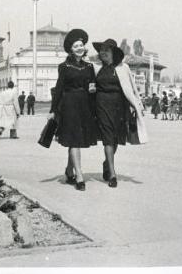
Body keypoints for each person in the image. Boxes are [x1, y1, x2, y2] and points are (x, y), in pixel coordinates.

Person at [92, 38, 148, 188]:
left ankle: (106, 163)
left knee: (115, 139)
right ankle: (112, 174)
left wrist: (137, 104)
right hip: (101, 106)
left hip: (119, 107)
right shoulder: (96, 68)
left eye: (106, 50)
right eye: (101, 50)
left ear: (113, 53)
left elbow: (132, 88)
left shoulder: (124, 68)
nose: (102, 52)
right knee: (108, 138)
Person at [50, 29, 99, 191]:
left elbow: (92, 87)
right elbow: (59, 89)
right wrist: (53, 109)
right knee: (74, 139)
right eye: (76, 46)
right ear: (71, 49)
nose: (79, 48)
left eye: (81, 45)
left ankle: (69, 170)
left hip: (85, 106)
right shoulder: (64, 66)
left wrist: (93, 102)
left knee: (76, 139)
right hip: (69, 105)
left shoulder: (89, 66)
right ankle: (79, 175)